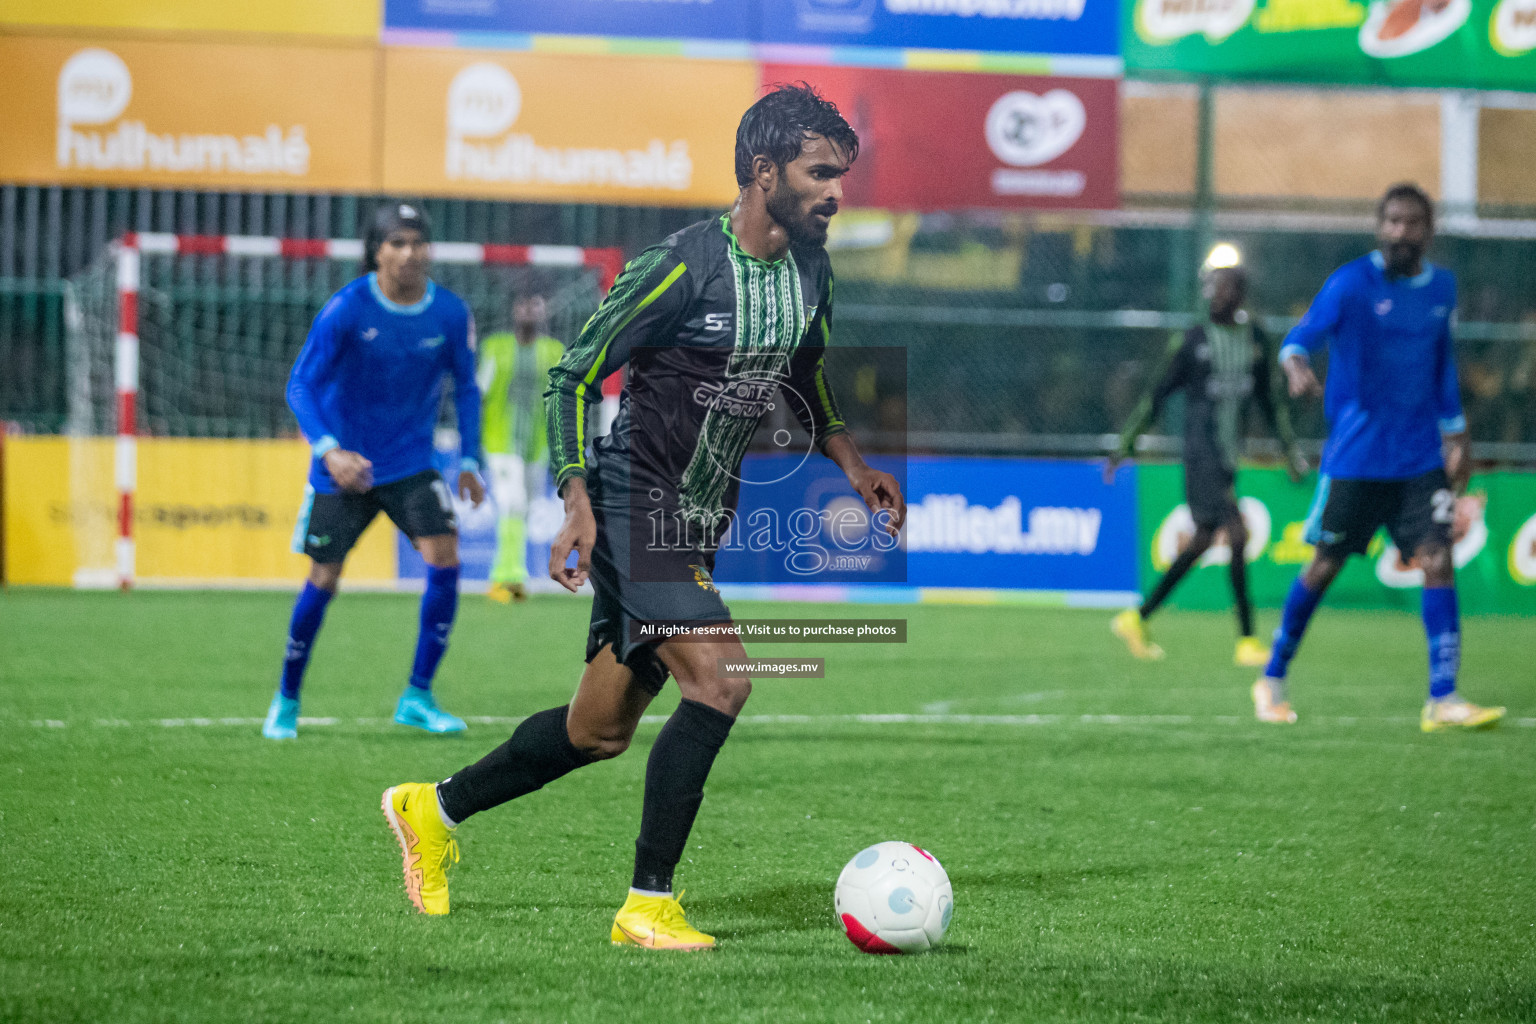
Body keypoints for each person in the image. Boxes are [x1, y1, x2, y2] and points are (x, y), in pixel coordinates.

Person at [380, 84, 905, 949]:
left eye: (840, 175)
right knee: (724, 679)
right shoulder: (678, 266)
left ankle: (431, 810)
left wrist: (853, 466)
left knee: (597, 731)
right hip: (632, 500)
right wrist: (576, 501)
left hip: (700, 518)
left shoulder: (814, 272)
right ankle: (647, 905)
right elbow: (573, 376)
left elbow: (805, 373)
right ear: (763, 171)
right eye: (819, 173)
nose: (834, 192)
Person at [1252, 182, 1504, 731]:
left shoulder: (1442, 289)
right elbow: (1301, 336)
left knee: (1437, 561)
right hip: (1356, 457)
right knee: (1324, 566)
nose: (1399, 232)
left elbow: (1441, 366)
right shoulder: (1350, 284)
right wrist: (1296, 366)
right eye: (1390, 221)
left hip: (1418, 457)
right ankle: (1271, 677)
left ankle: (1444, 697)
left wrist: (1457, 433)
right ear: (1378, 227)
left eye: (1411, 222)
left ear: (1428, 231)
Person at [262, 202, 486, 740]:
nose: (410, 253)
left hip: (411, 465)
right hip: (347, 470)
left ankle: (418, 695)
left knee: (445, 559)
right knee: (325, 578)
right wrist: (330, 450)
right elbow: (300, 384)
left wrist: (472, 459)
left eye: (418, 242)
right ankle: (286, 699)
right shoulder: (347, 308)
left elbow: (469, 388)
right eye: (398, 243)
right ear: (377, 251)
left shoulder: (451, 313)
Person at [1107, 265, 1305, 667]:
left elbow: (1271, 403)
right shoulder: (1193, 341)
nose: (1216, 295)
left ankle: (1137, 617)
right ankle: (1247, 639)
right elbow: (1156, 395)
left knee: (1201, 542)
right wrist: (1125, 444)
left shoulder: (1255, 342)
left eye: (1225, 288)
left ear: (1241, 294)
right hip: (1201, 454)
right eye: (1212, 288)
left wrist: (1290, 450)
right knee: (1236, 533)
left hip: (1228, 456)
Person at [478, 293, 564, 603]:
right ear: (514, 309)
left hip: (536, 446)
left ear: (544, 312)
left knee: (523, 510)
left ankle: (507, 574)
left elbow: (559, 399)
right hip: (500, 442)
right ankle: (509, 577)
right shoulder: (495, 347)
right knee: (512, 503)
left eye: (536, 304)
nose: (530, 310)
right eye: (524, 304)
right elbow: (480, 394)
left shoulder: (554, 351)